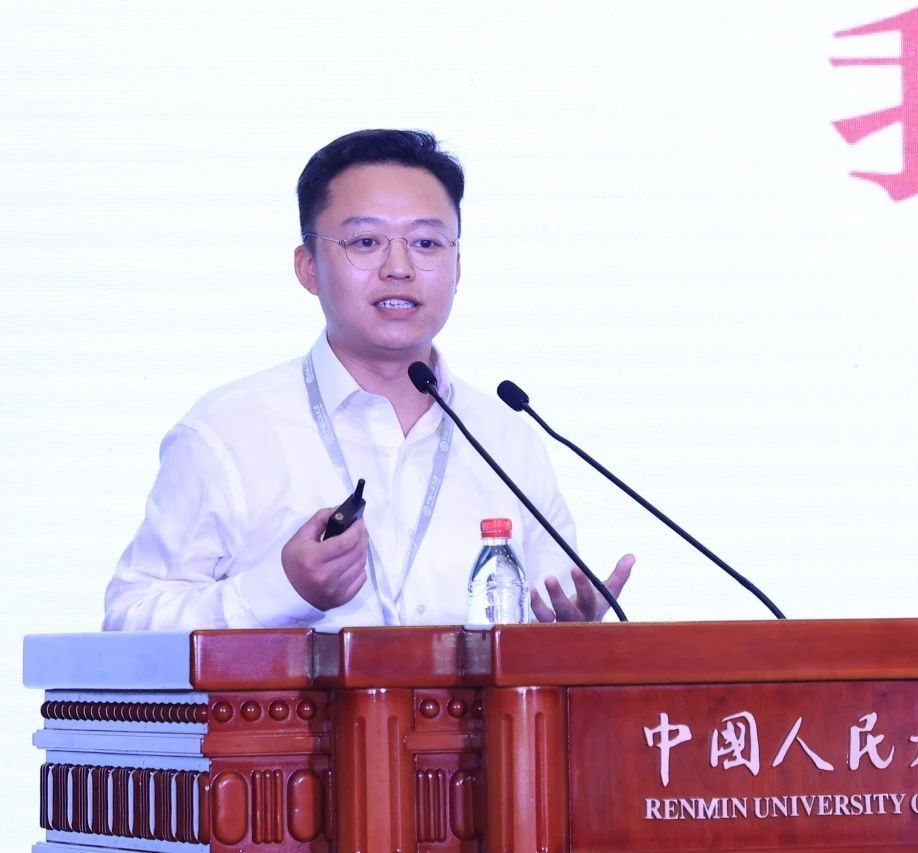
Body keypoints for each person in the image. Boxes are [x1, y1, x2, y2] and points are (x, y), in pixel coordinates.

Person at [103, 129, 633, 630]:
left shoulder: (506, 438)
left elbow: (551, 615)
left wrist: (571, 641)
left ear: (457, 267)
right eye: (365, 242)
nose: (399, 267)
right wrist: (278, 590)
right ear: (308, 268)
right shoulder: (229, 430)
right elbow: (129, 618)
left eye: (427, 243)